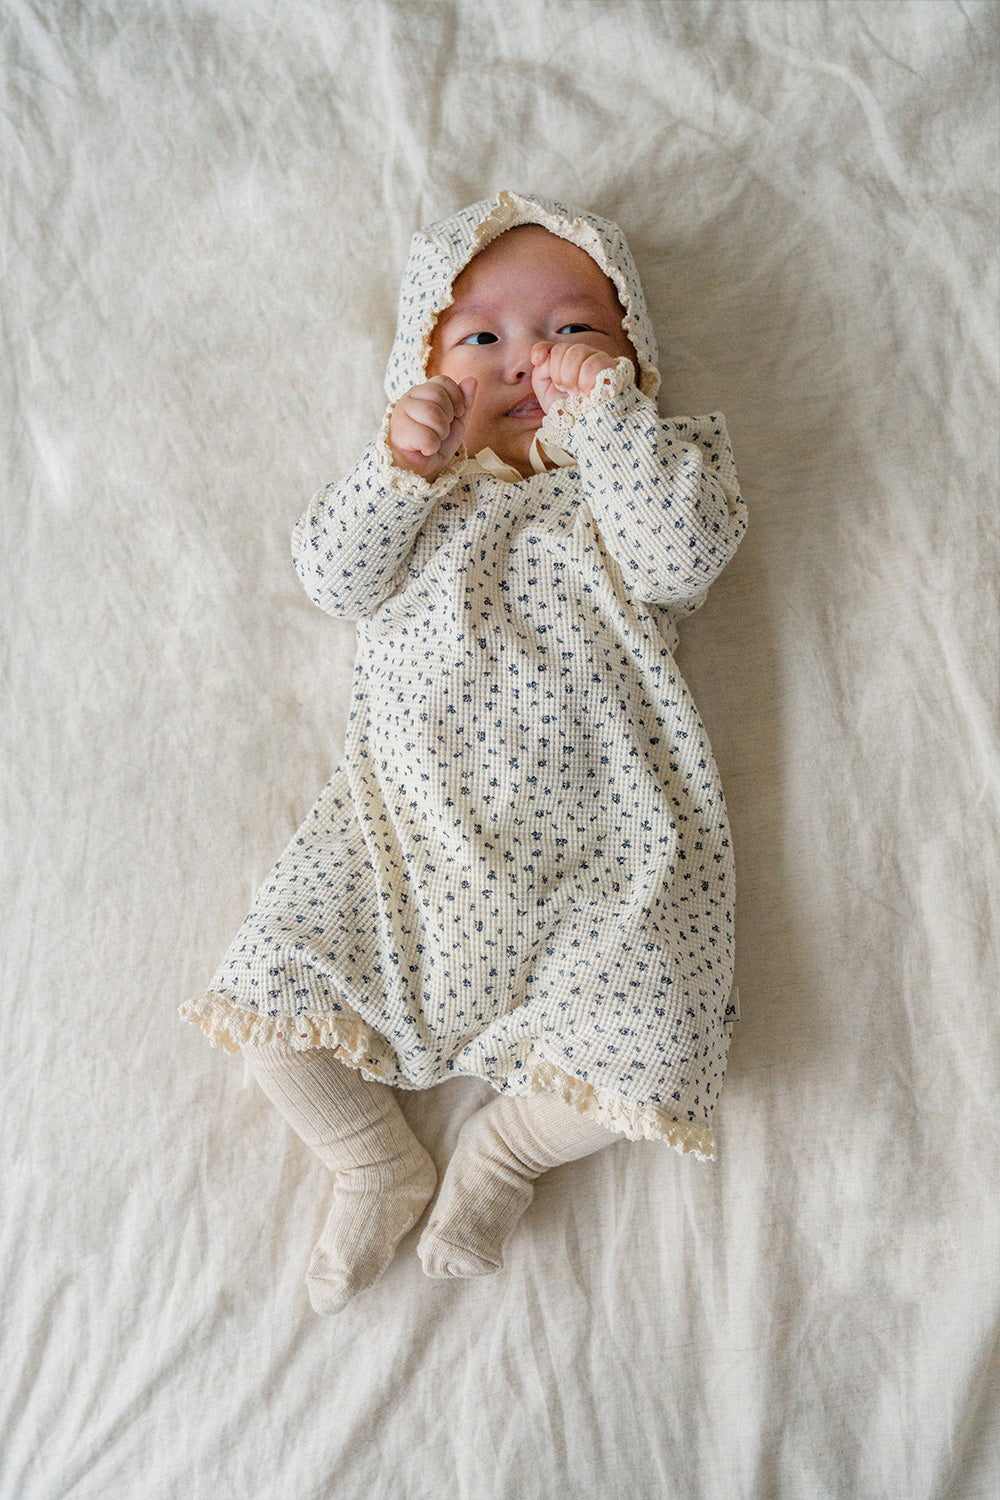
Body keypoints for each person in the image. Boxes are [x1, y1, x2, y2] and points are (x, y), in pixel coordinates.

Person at [180, 190, 747, 1315]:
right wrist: (401, 464)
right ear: (423, 368)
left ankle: (507, 1152)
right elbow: (332, 580)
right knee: (274, 1014)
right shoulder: (415, 494)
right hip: (403, 843)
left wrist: (612, 424)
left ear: (635, 354)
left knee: (662, 1039)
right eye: (482, 337)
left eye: (574, 330)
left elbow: (683, 559)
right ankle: (371, 1163)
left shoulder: (636, 478)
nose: (530, 358)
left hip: (608, 853)